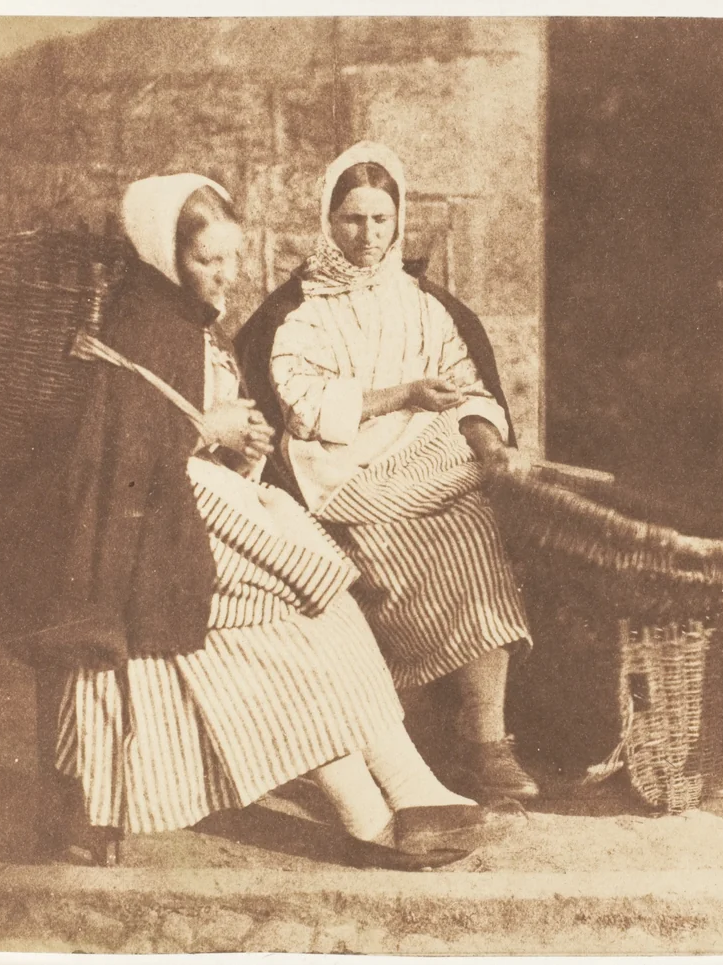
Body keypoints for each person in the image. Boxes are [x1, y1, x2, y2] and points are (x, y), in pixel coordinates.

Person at [5, 174, 506, 870]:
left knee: (332, 613)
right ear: (164, 255)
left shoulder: (183, 321)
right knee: (297, 633)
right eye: (208, 261)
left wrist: (235, 446)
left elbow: (184, 425)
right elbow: (116, 458)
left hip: (199, 503)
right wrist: (208, 431)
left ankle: (412, 788)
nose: (225, 275)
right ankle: (370, 815)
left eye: (232, 259)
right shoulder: (141, 323)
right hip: (156, 529)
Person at [235, 143, 538, 802]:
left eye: (379, 219)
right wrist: (399, 394)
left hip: (429, 463)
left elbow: (470, 390)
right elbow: (306, 409)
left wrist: (488, 449)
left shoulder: (424, 304)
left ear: (398, 220)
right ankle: (439, 734)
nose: (366, 235)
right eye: (351, 219)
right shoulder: (300, 310)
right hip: (346, 478)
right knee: (410, 547)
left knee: (483, 528)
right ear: (328, 220)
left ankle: (487, 739)